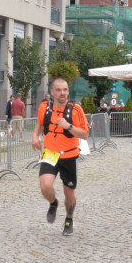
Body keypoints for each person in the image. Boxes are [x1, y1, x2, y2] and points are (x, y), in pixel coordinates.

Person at [32, 78, 90, 235]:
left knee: (69, 192)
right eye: (58, 90)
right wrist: (34, 136)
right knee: (45, 186)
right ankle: (53, 203)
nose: (62, 93)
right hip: (50, 152)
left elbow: (85, 134)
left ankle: (69, 218)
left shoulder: (76, 109)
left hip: (69, 154)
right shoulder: (44, 106)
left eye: (64, 90)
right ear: (52, 92)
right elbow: (40, 123)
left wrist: (69, 126)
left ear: (68, 91)